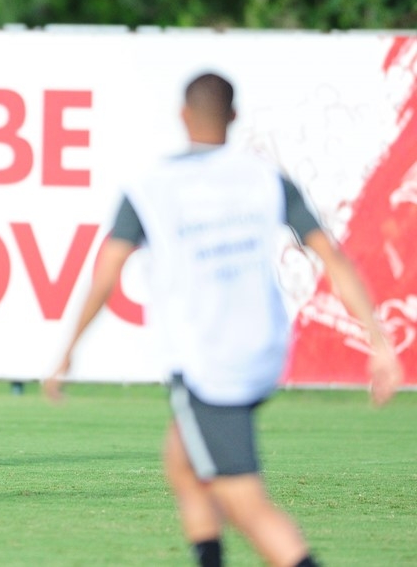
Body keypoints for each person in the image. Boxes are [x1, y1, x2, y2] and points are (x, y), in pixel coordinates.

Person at [44, 72, 401, 566]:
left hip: (208, 362)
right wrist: (380, 344)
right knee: (182, 463)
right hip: (265, 350)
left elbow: (106, 275)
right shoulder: (266, 178)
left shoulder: (150, 187)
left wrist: (68, 350)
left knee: (245, 504)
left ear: (182, 116)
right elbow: (333, 260)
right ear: (233, 118)